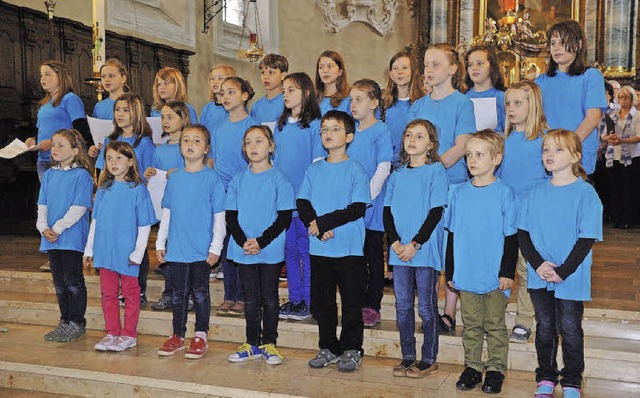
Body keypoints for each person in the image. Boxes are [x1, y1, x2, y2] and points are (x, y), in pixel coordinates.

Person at [518, 129, 603, 398]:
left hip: (571, 275)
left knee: (569, 328)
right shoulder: (534, 193)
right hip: (539, 272)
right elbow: (523, 233)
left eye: (558, 150)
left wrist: (563, 271)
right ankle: (545, 376)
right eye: (546, 150)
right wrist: (539, 264)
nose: (549, 155)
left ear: (576, 156)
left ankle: (572, 380)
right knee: (544, 327)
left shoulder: (585, 193)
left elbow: (587, 237)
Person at [410, 43, 476, 334]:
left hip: (452, 183)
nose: (428, 70)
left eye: (435, 64)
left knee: (451, 248)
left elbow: (462, 145)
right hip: (423, 187)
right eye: (426, 65)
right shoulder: (418, 106)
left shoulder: (462, 103)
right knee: (426, 245)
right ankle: (427, 307)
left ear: (452, 69)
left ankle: (449, 311)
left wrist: (433, 171)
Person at [297, 110, 370, 373]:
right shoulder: (314, 169)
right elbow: (303, 202)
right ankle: (328, 346)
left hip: (348, 248)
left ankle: (352, 348)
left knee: (351, 301)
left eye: (335, 129)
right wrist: (315, 226)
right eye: (324, 129)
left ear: (349, 136)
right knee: (323, 302)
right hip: (320, 248)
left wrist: (325, 223)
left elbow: (357, 208)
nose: (328, 133)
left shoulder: (356, 169)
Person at [446, 130, 517, 394]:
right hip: (467, 272)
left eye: (479, 154)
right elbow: (452, 234)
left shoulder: (505, 193)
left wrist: (507, 271)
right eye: (468, 155)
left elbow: (511, 237)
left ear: (496, 158)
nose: (472, 160)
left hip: (494, 274)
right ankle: (473, 366)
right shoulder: (459, 193)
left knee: (495, 325)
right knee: (472, 324)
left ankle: (496, 368)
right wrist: (451, 270)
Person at [156, 124, 226, 360]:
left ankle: (201, 335)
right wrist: (160, 242)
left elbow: (219, 216)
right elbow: (167, 211)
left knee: (201, 293)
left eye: (197, 141)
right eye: (186, 140)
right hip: (177, 249)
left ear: (206, 148)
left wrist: (216, 247)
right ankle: (177, 335)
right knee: (178, 294)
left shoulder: (212, 180)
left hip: (201, 250)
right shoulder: (174, 178)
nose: (190, 144)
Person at [384, 119, 447, 378]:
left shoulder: (436, 171)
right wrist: (396, 242)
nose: (412, 140)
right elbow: (387, 211)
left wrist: (415, 244)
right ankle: (408, 356)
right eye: (408, 135)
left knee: (426, 307)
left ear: (431, 145)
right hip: (400, 251)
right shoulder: (396, 174)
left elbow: (435, 212)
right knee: (402, 306)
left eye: (420, 137)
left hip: (423, 250)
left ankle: (429, 357)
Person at [226, 125, 294, 365]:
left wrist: (261, 242)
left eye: (259, 141)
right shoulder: (238, 180)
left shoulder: (280, 179)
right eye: (248, 142)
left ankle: (269, 343)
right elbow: (231, 216)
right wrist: (244, 241)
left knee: (269, 297)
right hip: (242, 247)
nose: (253, 147)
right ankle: (251, 343)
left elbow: (284, 217)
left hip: (270, 248)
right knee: (250, 297)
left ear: (271, 146)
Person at [84, 141, 156, 352]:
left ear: (131, 161)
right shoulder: (104, 189)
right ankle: (112, 332)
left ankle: (129, 334)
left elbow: (144, 225)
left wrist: (137, 253)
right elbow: (95, 222)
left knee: (131, 294)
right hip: (105, 251)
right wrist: (89, 249)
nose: (113, 162)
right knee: (108, 293)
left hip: (127, 253)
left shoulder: (138, 189)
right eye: (109, 158)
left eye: (119, 158)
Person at [497, 80, 549, 343]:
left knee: (527, 269)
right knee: (503, 266)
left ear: (533, 105)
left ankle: (525, 319)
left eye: (518, 103)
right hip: (506, 217)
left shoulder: (543, 141)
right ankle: (495, 314)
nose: (511, 108)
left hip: (531, 219)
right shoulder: (503, 140)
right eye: (508, 103)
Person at [94, 94, 156, 305]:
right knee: (113, 241)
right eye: (117, 110)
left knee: (136, 243)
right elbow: (103, 171)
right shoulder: (109, 140)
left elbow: (147, 174)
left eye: (126, 110)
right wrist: (99, 192)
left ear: (136, 113)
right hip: (112, 197)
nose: (120, 114)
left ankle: (137, 288)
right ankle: (116, 285)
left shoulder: (144, 142)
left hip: (134, 198)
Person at [273, 73, 324, 321]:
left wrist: (309, 199)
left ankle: (310, 299)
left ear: (305, 92)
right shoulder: (280, 126)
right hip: (284, 201)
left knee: (306, 251)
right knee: (289, 251)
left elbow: (317, 165)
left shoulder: (315, 126)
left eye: (291, 89)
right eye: (284, 90)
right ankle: (295, 299)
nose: (285, 94)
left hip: (305, 202)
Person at [37, 129, 93, 342]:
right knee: (59, 282)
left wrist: (57, 228)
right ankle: (65, 320)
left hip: (70, 236)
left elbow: (79, 207)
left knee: (73, 281)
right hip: (51, 237)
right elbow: (42, 203)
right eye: (53, 145)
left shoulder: (82, 175)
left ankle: (77, 322)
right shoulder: (50, 174)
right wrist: (43, 227)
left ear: (75, 150)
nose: (55, 149)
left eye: (61, 145)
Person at [535, 20, 607, 179]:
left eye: (562, 42)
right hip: (548, 156)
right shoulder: (541, 81)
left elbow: (593, 117)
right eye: (553, 43)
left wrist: (567, 148)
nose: (556, 47)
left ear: (578, 44)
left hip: (577, 155)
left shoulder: (591, 76)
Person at [210, 77, 257, 316]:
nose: (225, 97)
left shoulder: (253, 125)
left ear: (245, 95)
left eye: (231, 92)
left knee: (243, 243)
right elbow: (214, 161)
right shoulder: (218, 127)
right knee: (227, 244)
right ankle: (230, 294)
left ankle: (245, 295)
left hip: (245, 191)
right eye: (222, 94)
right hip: (223, 193)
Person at [348, 79, 393, 327]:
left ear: (374, 103)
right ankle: (355, 301)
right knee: (355, 259)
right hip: (352, 208)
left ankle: (372, 305)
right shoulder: (350, 133)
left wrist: (365, 198)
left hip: (372, 207)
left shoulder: (381, 131)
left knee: (373, 257)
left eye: (359, 99)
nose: (353, 104)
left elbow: (383, 167)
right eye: (351, 99)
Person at [145, 101, 190, 312]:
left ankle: (185, 293)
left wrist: (178, 173)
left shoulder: (188, 145)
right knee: (169, 253)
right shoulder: (160, 150)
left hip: (185, 209)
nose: (165, 121)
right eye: (162, 117)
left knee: (184, 254)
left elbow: (195, 170)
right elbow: (156, 176)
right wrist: (150, 174)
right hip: (166, 209)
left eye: (171, 116)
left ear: (184, 119)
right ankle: (169, 292)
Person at [25, 60, 92, 181]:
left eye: (47, 74)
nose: (42, 78)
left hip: (64, 159)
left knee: (63, 197)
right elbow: (42, 131)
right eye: (41, 75)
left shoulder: (70, 99)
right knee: (49, 199)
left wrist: (52, 143)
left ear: (61, 76)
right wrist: (33, 140)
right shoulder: (44, 104)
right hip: (43, 160)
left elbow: (80, 131)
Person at [603, 86, 640, 229]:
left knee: (629, 189)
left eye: (626, 97)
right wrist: (609, 138)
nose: (623, 100)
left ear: (632, 99)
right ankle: (616, 218)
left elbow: (638, 136)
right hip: (615, 155)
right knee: (615, 188)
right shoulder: (613, 115)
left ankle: (628, 218)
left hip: (632, 156)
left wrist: (622, 140)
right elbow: (604, 134)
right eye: (621, 97)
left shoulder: (637, 115)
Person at [383, 51, 425, 164]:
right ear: (390, 74)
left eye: (405, 68)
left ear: (413, 72)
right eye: (395, 68)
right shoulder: (383, 105)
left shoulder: (423, 103)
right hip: (388, 164)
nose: (400, 72)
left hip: (415, 163)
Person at [89, 58, 130, 158]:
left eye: (111, 76)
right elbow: (95, 132)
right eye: (103, 77)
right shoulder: (99, 106)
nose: (106, 80)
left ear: (123, 78)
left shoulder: (132, 102)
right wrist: (93, 148)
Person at [463, 44, 506, 133]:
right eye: (470, 65)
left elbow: (508, 132)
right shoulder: (462, 98)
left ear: (492, 66)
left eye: (480, 63)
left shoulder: (502, 97)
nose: (474, 68)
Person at [201, 65, 236, 164]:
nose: (215, 82)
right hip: (208, 157)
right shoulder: (207, 108)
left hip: (228, 157)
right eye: (212, 79)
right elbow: (202, 133)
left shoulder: (235, 107)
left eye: (220, 78)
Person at [250, 54, 288, 124]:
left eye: (271, 72)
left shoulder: (288, 103)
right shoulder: (256, 106)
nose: (266, 77)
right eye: (263, 72)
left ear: (283, 75)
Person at [315, 51, 351, 115]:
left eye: (330, 66)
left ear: (340, 71)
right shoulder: (312, 98)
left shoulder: (349, 98)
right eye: (321, 67)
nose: (325, 71)